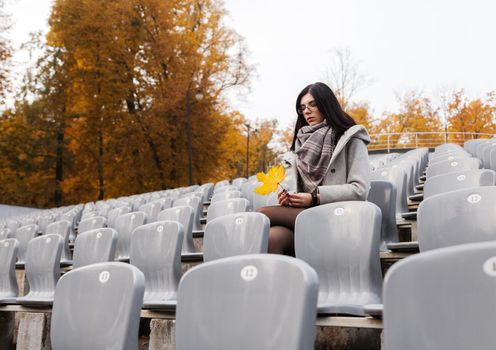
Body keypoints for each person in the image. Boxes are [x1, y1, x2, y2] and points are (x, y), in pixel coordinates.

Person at [258, 82, 371, 256]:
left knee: (261, 214)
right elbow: (300, 189)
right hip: (305, 217)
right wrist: (288, 198)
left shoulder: (351, 139)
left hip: (337, 217)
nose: (307, 111)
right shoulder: (299, 146)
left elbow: (359, 190)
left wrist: (313, 198)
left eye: (313, 104)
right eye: (302, 108)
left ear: (326, 104)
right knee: (272, 238)